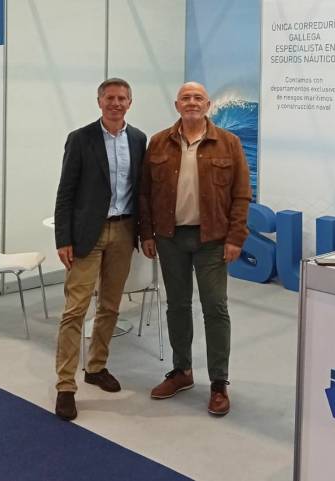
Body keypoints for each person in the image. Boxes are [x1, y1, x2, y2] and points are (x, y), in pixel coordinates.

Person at [139, 81, 251, 416]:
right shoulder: (158, 142)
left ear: (208, 105)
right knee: (177, 306)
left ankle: (218, 383)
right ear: (177, 105)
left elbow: (241, 194)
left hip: (212, 240)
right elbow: (144, 193)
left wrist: (235, 238)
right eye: (186, 98)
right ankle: (182, 371)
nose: (192, 102)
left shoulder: (229, 143)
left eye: (198, 98)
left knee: (215, 308)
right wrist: (147, 234)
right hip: (169, 238)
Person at [53, 78, 147, 421]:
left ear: (130, 103)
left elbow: (141, 190)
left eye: (122, 98)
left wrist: (145, 232)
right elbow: (65, 192)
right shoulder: (80, 139)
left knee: (110, 305)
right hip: (86, 235)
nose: (116, 103)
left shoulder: (138, 139)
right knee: (75, 309)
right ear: (99, 101)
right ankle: (66, 384)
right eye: (110, 98)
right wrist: (63, 238)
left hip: (124, 230)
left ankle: (96, 366)